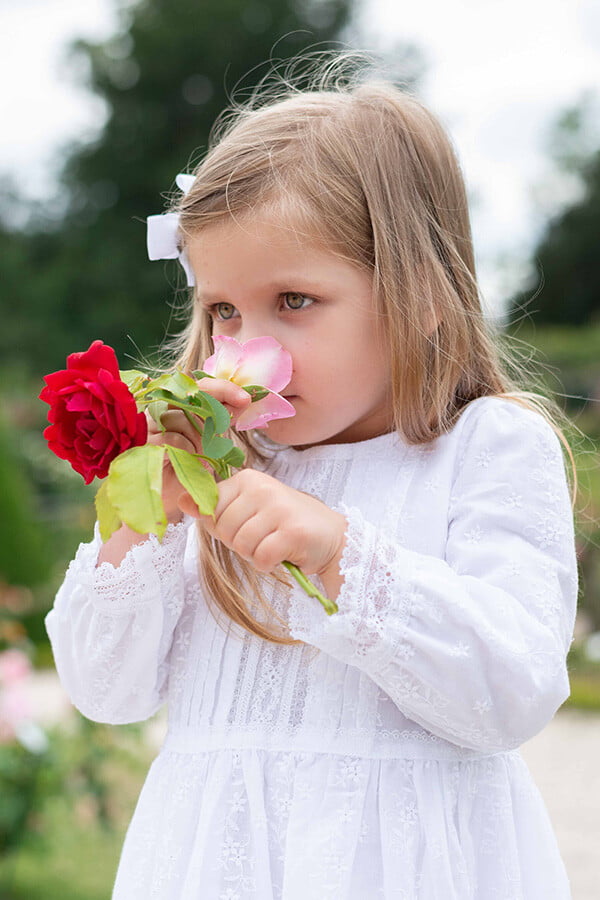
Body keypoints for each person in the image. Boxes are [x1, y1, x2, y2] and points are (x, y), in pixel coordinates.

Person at [45, 52, 580, 899]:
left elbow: (511, 692)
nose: (243, 346)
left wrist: (343, 559)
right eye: (224, 309)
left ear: (420, 293)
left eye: (293, 300)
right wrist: (139, 525)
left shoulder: (487, 448)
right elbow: (106, 692)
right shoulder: (221, 468)